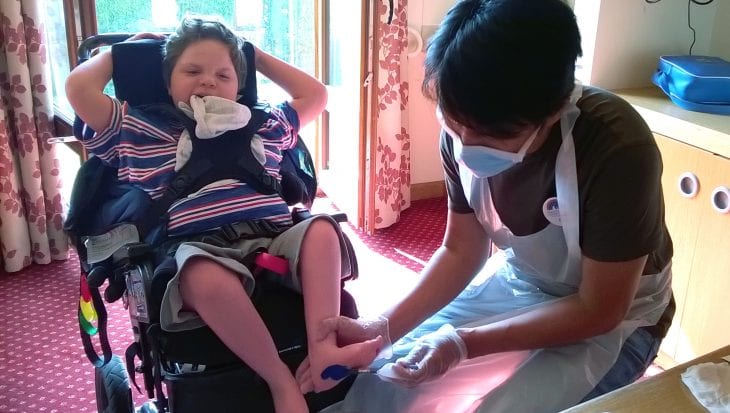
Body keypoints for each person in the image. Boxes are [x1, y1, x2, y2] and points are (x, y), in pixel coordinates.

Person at [300, 0, 675, 411]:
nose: (467, 145)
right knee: (389, 382)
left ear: (553, 110)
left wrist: (465, 344)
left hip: (619, 316)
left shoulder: (615, 146)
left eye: (492, 136)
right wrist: (380, 328)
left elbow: (599, 308)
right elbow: (461, 250)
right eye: (454, 124)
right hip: (524, 283)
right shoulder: (464, 123)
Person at [66, 15, 383, 413]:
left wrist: (254, 56)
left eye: (223, 74)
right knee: (198, 272)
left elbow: (315, 94)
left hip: (274, 236)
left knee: (322, 228)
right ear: (168, 83)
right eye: (192, 71)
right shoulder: (144, 131)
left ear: (239, 84)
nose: (208, 81)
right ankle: (279, 380)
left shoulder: (262, 123)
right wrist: (122, 54)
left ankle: (323, 350)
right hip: (200, 245)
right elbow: (79, 89)